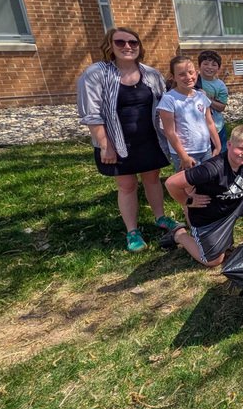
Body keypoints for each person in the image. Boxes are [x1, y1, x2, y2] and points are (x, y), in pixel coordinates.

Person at [76, 27, 177, 252]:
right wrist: (105, 145)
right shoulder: (96, 74)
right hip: (117, 141)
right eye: (120, 42)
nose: (127, 47)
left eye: (133, 42)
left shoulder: (150, 74)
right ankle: (132, 231)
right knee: (127, 184)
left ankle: (160, 217)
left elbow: (163, 105)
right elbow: (91, 114)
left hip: (149, 138)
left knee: (153, 178)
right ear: (110, 46)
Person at [163, 125, 243, 266]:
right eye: (240, 148)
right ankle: (180, 234)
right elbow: (171, 183)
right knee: (213, 261)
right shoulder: (212, 168)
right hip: (213, 216)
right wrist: (188, 200)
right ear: (229, 144)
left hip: (239, 201)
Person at [158, 56, 220, 172]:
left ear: (196, 73)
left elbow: (210, 122)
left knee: (208, 183)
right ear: (173, 77)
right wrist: (183, 156)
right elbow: (169, 132)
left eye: (191, 72)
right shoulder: (169, 99)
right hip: (186, 153)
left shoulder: (201, 96)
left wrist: (217, 145)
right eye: (182, 74)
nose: (188, 77)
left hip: (205, 149)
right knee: (190, 187)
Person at [197, 50, 229, 147]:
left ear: (218, 68)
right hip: (197, 128)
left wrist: (206, 98)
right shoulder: (192, 80)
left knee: (220, 155)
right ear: (199, 65)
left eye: (214, 65)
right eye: (206, 64)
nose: (209, 67)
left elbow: (222, 107)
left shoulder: (220, 86)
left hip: (217, 126)